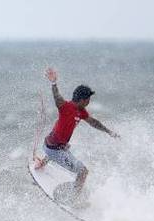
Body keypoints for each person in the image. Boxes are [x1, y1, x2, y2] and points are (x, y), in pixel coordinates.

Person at [34, 67, 119, 195]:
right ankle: (73, 196)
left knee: (66, 145)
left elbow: (93, 122)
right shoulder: (66, 107)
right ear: (82, 100)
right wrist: (53, 83)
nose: (89, 102)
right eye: (88, 100)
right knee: (83, 171)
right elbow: (57, 97)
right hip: (54, 148)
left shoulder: (81, 111)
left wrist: (108, 131)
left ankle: (44, 161)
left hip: (54, 144)